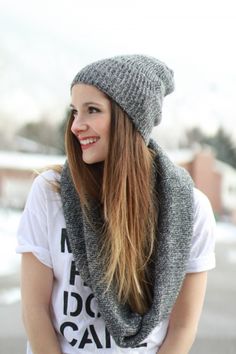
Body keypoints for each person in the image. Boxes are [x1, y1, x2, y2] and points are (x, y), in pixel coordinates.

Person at [16, 54, 216, 354]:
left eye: (92, 110)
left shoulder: (190, 210)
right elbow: (35, 312)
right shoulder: (49, 193)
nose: (75, 126)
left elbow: (183, 327)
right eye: (74, 112)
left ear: (129, 119)